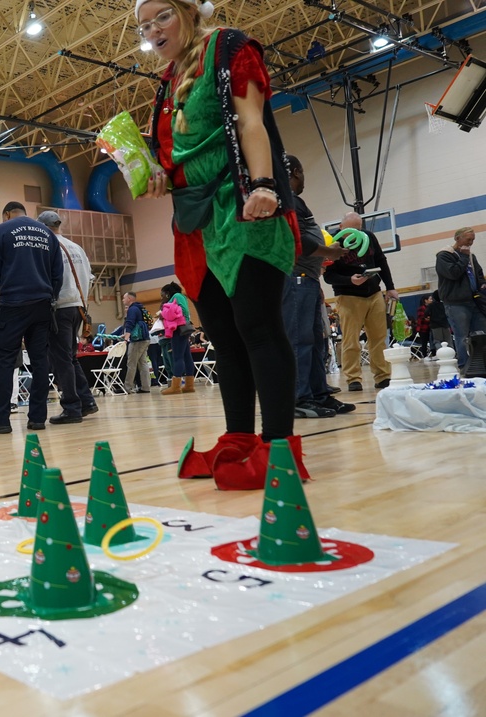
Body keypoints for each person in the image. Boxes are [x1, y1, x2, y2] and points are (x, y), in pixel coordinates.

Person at [138, 0, 307, 489]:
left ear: (190, 12)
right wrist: (156, 177)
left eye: (162, 16)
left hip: (244, 206)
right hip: (195, 225)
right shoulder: (166, 85)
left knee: (258, 326)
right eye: (145, 25)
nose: (153, 30)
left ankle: (279, 449)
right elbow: (184, 160)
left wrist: (265, 185)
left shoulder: (229, 46)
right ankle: (238, 440)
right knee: (225, 339)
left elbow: (251, 121)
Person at [0, 201, 62, 434]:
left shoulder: (0, 231)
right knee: (40, 361)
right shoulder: (48, 234)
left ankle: (0, 420)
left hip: (14, 304)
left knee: (5, 360)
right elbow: (58, 275)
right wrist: (49, 297)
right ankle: (37, 419)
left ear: (6, 215)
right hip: (42, 304)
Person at [281, 155, 354, 417]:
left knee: (314, 343)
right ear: (297, 172)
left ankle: (319, 394)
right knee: (300, 341)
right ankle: (301, 398)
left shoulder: (292, 200)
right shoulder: (287, 199)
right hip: (296, 279)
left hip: (306, 279)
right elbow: (298, 239)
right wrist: (328, 252)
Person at [324, 211, 399, 391]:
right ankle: (353, 378)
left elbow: (381, 261)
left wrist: (390, 287)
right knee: (351, 340)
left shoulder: (369, 237)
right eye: (350, 229)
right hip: (348, 295)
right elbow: (328, 276)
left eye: (358, 228)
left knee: (378, 338)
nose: (355, 233)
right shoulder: (333, 243)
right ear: (341, 227)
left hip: (373, 293)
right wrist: (349, 280)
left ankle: (382, 376)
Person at [39, 210, 99, 423]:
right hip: (78, 308)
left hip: (60, 307)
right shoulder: (77, 248)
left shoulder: (47, 247)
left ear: (43, 228)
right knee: (70, 357)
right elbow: (90, 277)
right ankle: (87, 401)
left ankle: (71, 407)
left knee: (61, 359)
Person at [435, 227, 486, 370]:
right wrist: (463, 257)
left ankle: (482, 363)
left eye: (473, 239)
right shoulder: (444, 256)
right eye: (468, 239)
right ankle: (464, 365)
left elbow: (479, 273)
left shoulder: (471, 256)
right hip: (456, 303)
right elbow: (453, 273)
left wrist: (482, 285)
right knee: (462, 336)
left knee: (482, 333)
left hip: (474, 301)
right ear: (457, 239)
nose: (471, 242)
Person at [158, 282, 197, 395]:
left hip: (178, 329)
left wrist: (164, 315)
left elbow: (183, 310)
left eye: (163, 294)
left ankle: (176, 386)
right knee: (186, 356)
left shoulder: (177, 296)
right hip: (183, 329)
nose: (162, 297)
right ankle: (189, 385)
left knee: (177, 357)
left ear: (168, 293)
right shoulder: (181, 296)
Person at [120, 291, 152, 394]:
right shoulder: (139, 308)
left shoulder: (132, 309)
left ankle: (127, 388)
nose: (123, 300)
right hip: (145, 338)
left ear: (129, 299)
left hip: (137, 340)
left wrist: (126, 338)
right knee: (143, 363)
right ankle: (146, 386)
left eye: (124, 298)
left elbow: (130, 323)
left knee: (131, 363)